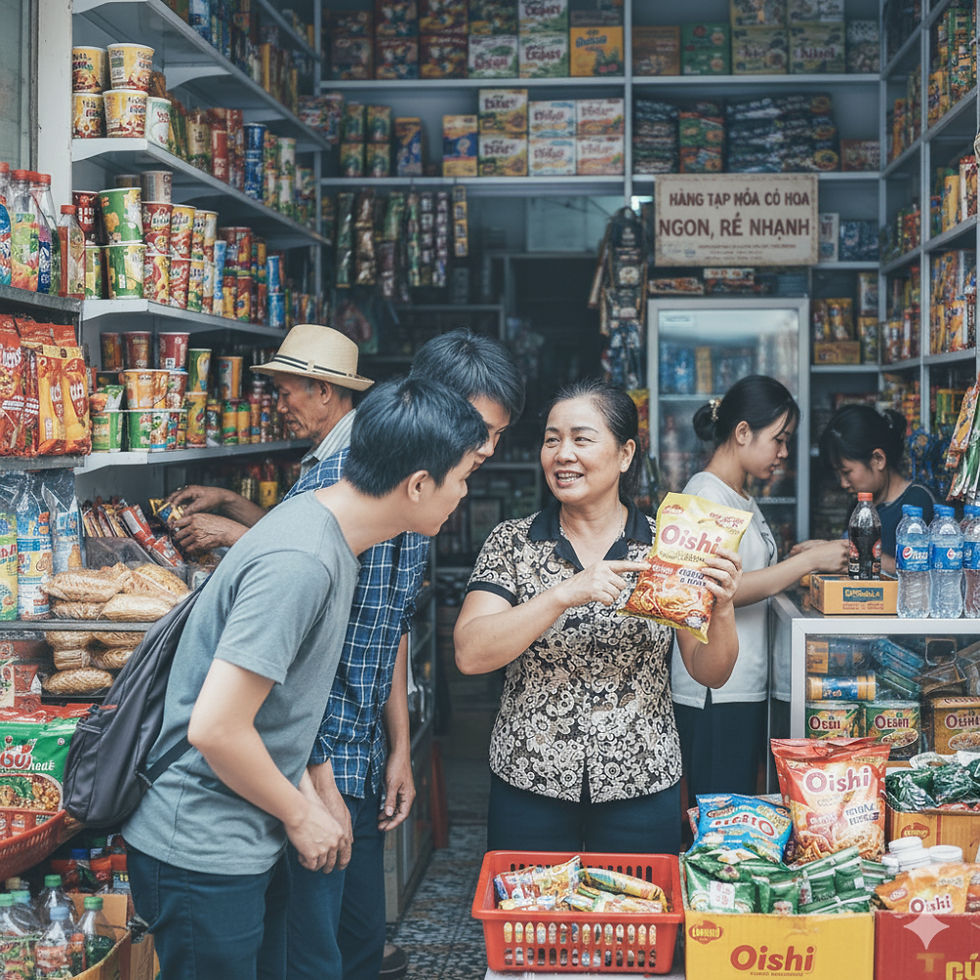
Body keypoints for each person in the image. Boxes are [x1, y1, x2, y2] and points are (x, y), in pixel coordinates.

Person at [121, 378, 489, 980]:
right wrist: (300, 814)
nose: (465, 494)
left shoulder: (332, 539)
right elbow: (216, 727)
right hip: (202, 843)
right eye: (463, 476)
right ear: (420, 484)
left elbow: (283, 698)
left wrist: (319, 782)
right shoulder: (302, 561)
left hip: (241, 833)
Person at [283, 329, 524, 980]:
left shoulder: (429, 494)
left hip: (357, 757)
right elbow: (292, 666)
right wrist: (318, 781)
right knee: (312, 955)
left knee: (362, 944)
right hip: (308, 769)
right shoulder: (341, 489)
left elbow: (387, 625)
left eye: (498, 435)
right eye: (481, 429)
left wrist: (400, 747)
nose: (488, 449)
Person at [453, 379, 742, 854]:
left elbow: (710, 671)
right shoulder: (513, 542)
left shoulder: (666, 547)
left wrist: (723, 608)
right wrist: (564, 594)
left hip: (642, 783)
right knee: (534, 928)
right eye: (552, 439)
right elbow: (470, 652)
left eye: (582, 439)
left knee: (635, 925)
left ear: (626, 454)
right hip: (530, 780)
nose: (563, 454)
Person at [671, 376, 848, 809]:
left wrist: (797, 557)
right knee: (718, 819)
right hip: (714, 690)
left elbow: (747, 573)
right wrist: (804, 563)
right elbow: (715, 592)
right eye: (780, 439)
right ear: (743, 432)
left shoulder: (739, 497)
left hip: (742, 682)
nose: (784, 453)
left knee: (738, 816)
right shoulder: (702, 495)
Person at [166, 323, 372, 554]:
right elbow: (286, 530)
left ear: (324, 391)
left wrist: (229, 533)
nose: (280, 407)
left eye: (285, 394)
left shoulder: (351, 459)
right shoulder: (331, 451)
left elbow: (312, 555)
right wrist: (226, 499)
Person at [818, 403, 935, 570]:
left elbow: (917, 572)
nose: (843, 483)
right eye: (838, 475)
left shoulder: (917, 502)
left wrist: (854, 555)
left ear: (878, 459)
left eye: (847, 472)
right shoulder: (859, 506)